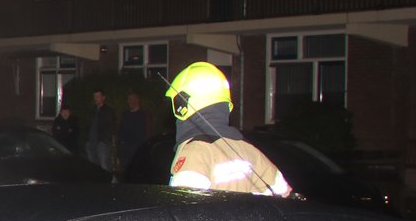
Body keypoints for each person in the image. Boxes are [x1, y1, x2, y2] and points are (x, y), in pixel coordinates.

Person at [165, 62, 291, 196]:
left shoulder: (196, 152)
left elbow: (184, 211)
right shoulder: (248, 150)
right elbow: (284, 195)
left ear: (182, 105)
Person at [118, 90, 151, 170]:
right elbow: (121, 129)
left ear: (137, 100)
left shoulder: (143, 115)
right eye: (129, 99)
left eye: (132, 99)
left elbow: (147, 131)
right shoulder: (125, 114)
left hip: (137, 146)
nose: (130, 101)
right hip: (126, 147)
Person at [87, 89, 116, 172]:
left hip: (102, 143)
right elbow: (89, 125)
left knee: (104, 166)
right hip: (91, 142)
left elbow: (111, 126)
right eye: (94, 97)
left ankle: (109, 184)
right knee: (94, 167)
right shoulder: (93, 110)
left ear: (103, 98)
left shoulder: (108, 111)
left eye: (98, 96)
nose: (96, 98)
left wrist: (104, 140)